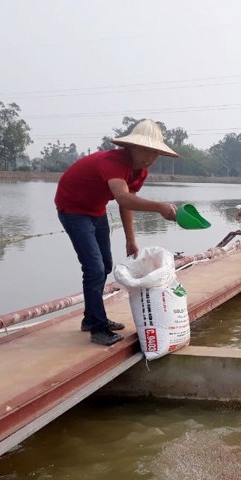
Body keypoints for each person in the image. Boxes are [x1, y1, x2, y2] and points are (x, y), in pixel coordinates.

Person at [55, 119, 179, 346]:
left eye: (155, 153)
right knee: (94, 267)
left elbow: (126, 204)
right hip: (72, 209)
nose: (150, 158)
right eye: (146, 151)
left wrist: (131, 240)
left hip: (96, 209)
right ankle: (97, 328)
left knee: (105, 264)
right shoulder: (113, 161)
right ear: (132, 147)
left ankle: (91, 317)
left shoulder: (140, 171)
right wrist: (160, 207)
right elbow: (122, 197)